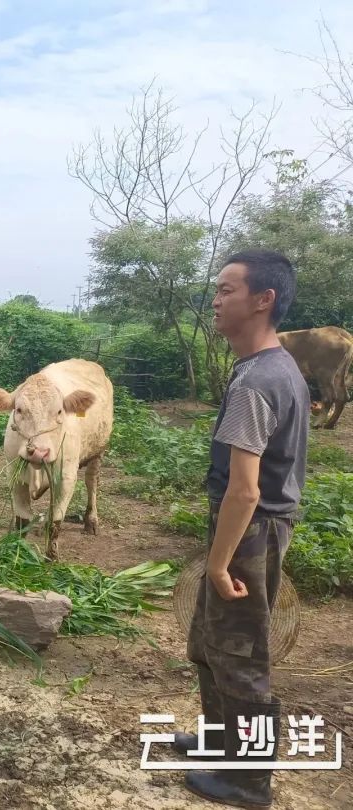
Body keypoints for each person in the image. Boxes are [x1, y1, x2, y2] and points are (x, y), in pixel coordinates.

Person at [179, 250, 309, 808]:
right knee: (209, 644)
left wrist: (216, 562)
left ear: (264, 300)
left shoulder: (257, 381)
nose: (216, 298)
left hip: (249, 531)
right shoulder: (269, 369)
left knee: (241, 654)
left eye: (227, 289)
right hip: (248, 528)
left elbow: (245, 489)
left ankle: (250, 779)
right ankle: (218, 743)